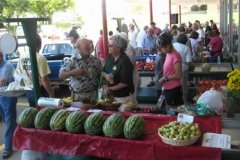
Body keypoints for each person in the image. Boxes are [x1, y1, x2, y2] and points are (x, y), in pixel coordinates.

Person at [16, 34, 54, 107]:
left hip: (28, 90)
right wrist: (50, 93)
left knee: (32, 112)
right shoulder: (40, 58)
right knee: (42, 114)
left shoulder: (22, 56)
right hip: (39, 90)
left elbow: (18, 72)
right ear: (40, 44)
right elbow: (44, 79)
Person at [102, 34, 134, 104]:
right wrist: (106, 76)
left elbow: (124, 83)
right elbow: (103, 72)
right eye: (108, 45)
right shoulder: (110, 57)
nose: (108, 47)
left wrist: (109, 89)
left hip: (121, 97)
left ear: (118, 48)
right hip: (110, 95)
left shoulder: (125, 61)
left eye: (110, 46)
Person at [157, 32, 183, 108]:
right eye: (162, 47)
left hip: (174, 88)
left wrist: (165, 78)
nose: (163, 49)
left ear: (169, 44)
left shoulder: (175, 56)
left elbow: (178, 75)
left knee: (171, 111)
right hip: (167, 87)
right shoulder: (168, 54)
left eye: (165, 46)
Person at [0, 49, 17, 159]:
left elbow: (1, 82)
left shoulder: (7, 66)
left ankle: (8, 148)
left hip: (8, 97)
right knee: (7, 121)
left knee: (9, 121)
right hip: (1, 97)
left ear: (0, 56)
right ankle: (18, 137)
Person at [173, 33, 192, 104]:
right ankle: (184, 102)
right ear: (185, 41)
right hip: (183, 68)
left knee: (173, 85)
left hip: (172, 67)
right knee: (184, 86)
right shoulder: (186, 48)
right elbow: (189, 61)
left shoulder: (173, 45)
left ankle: (174, 101)